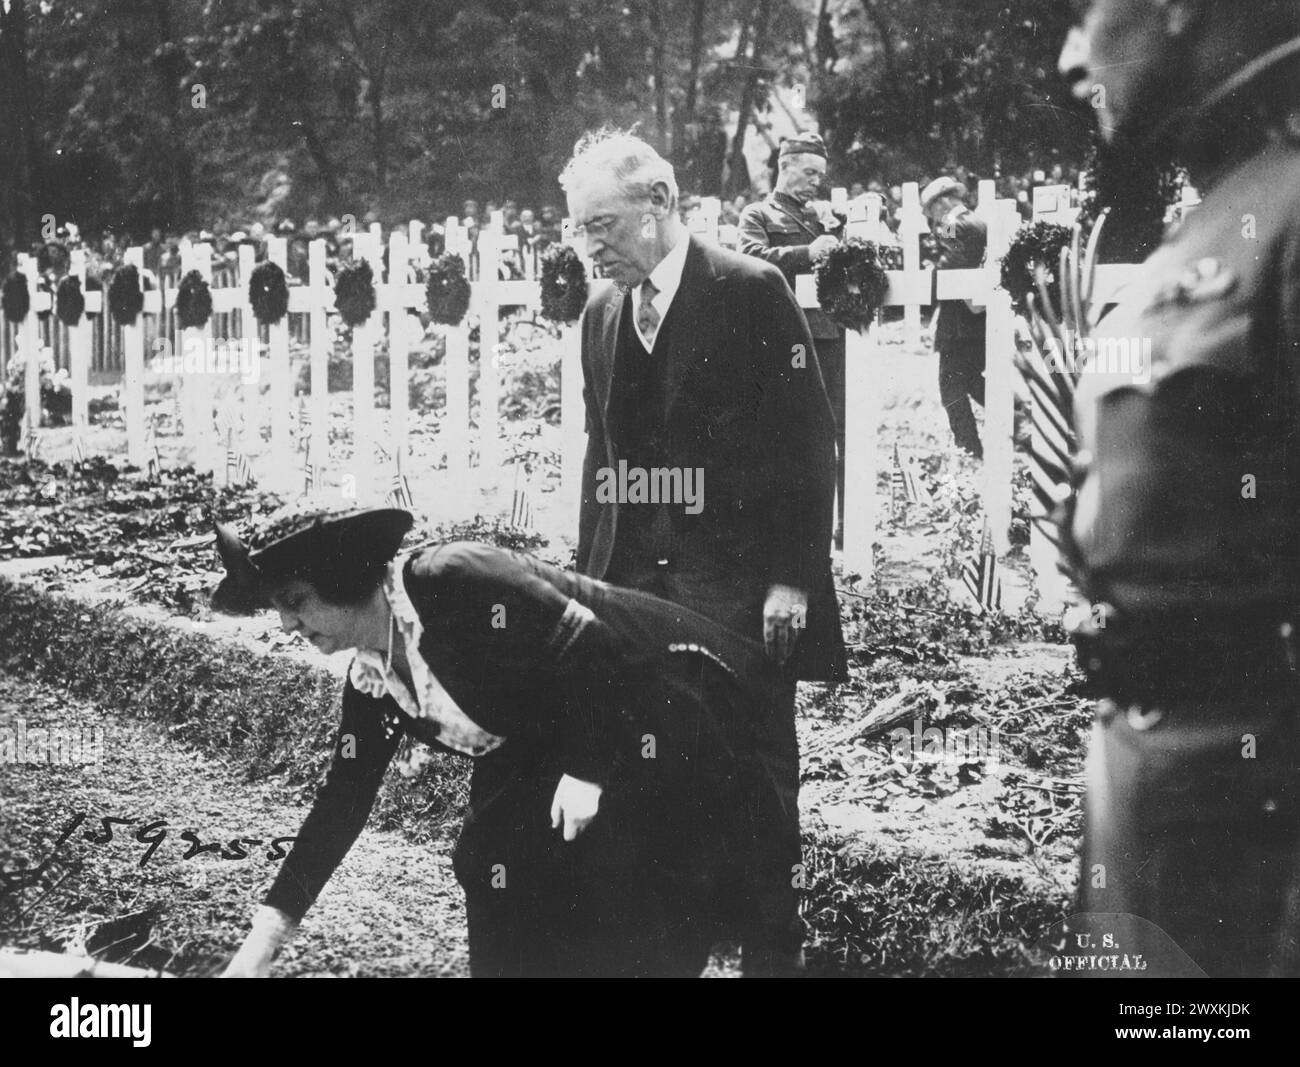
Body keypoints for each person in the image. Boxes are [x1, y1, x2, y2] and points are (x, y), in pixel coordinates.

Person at [213, 503, 795, 978]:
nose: (287, 625)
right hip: (563, 732)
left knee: (628, 900)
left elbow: (597, 648)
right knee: (490, 860)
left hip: (675, 711)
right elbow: (343, 800)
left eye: (295, 602)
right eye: (279, 609)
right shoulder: (372, 678)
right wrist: (263, 943)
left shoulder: (455, 580)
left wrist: (587, 770)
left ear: (341, 577)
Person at [561, 129, 847, 976]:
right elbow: (600, 461)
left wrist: (792, 578)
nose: (589, 245)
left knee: (755, 801)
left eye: (602, 222)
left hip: (739, 595)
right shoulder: (602, 314)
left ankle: (770, 957)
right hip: (637, 600)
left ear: (660, 203)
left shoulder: (749, 290)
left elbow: (807, 444)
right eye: (578, 229)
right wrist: (586, 585)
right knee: (655, 803)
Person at [1055, 0, 1300, 977]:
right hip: (1156, 805)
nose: (1072, 58)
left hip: (1256, 840)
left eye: (1085, 14)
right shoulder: (1214, 219)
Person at [738, 133, 848, 544]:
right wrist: (808, 252)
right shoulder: (758, 214)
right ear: (784, 168)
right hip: (785, 338)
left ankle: (839, 526)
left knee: (838, 430)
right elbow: (751, 261)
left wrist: (843, 231)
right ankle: (785, 524)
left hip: (829, 335)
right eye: (808, 172)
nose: (816, 182)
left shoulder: (825, 217)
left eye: (820, 174)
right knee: (787, 432)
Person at [921, 176, 987, 459]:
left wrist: (928, 279)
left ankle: (968, 449)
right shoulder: (977, 222)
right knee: (972, 381)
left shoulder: (950, 223)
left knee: (951, 389)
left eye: (932, 211)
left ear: (943, 202)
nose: (933, 219)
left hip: (958, 323)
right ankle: (1020, 418)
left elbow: (950, 262)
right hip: (977, 319)